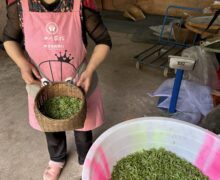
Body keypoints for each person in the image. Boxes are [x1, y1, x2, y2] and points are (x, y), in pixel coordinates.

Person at [3, 0, 112, 179]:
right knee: (50, 124)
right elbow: (9, 39)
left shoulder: (80, 4)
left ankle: (86, 159)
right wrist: (23, 64)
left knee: (83, 126)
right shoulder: (20, 5)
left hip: (78, 80)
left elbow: (103, 40)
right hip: (41, 82)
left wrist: (90, 70)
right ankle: (57, 159)